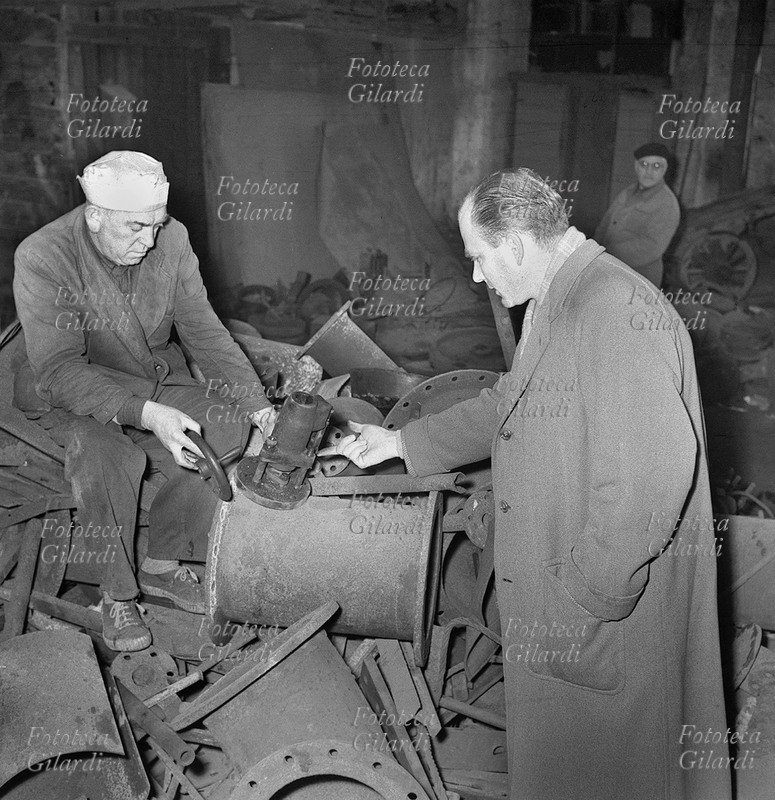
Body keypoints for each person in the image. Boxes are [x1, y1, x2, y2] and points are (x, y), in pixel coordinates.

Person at [321, 168, 730, 800]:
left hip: (602, 612)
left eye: (479, 258)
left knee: (614, 773)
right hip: (571, 605)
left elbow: (652, 474)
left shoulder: (613, 309)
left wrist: (589, 591)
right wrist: (400, 443)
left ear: (515, 244)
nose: (477, 275)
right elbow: (512, 401)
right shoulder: (558, 299)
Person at [13, 151, 276, 651]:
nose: (150, 240)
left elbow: (204, 331)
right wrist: (148, 416)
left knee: (226, 425)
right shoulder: (44, 255)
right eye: (135, 227)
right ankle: (117, 594)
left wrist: (259, 405)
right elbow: (60, 369)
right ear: (95, 216)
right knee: (108, 454)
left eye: (156, 225)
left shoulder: (171, 238)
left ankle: (160, 559)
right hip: (73, 389)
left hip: (147, 375)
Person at [594, 141, 680, 287]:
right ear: (636, 166)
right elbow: (605, 225)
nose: (649, 171)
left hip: (639, 280)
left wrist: (607, 253)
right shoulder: (627, 192)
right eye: (644, 164)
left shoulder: (667, 203)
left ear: (664, 169)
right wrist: (595, 250)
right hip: (609, 270)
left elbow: (652, 246)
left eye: (656, 166)